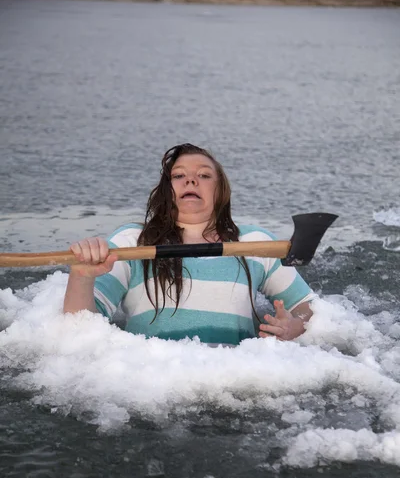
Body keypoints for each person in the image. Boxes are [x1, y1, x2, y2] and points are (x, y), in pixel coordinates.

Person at [63, 143, 314, 346]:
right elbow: (81, 327)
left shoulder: (255, 243)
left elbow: (308, 307)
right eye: (179, 175)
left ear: (221, 191)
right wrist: (81, 277)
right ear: (166, 190)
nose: (191, 180)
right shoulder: (131, 242)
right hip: (153, 380)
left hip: (234, 380)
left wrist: (294, 326)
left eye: (204, 175)